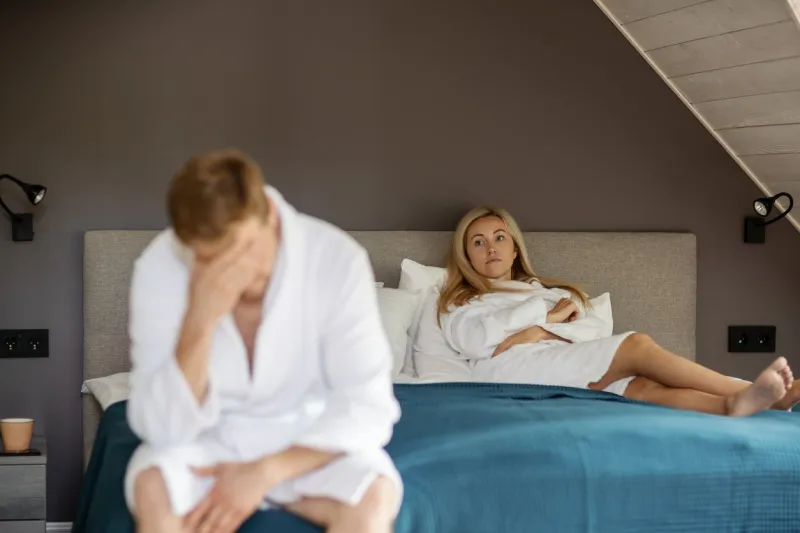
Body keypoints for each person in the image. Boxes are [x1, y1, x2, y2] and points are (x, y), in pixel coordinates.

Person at [124, 149, 401, 533]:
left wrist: (263, 473)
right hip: (208, 440)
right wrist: (198, 322)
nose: (233, 274)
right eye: (211, 261)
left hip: (306, 441)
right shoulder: (159, 267)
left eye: (241, 250)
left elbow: (368, 407)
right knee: (152, 488)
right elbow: (161, 428)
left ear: (269, 215)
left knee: (374, 497)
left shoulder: (336, 259)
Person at [421, 205, 800, 417]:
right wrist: (543, 316)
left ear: (515, 248)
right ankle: (754, 392)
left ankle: (729, 405)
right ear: (466, 255)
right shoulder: (460, 301)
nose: (491, 247)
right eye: (478, 242)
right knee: (636, 346)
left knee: (644, 389)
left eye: (500, 237)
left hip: (562, 359)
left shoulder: (552, 292)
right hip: (508, 371)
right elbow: (475, 340)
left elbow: (594, 331)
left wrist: (540, 330)